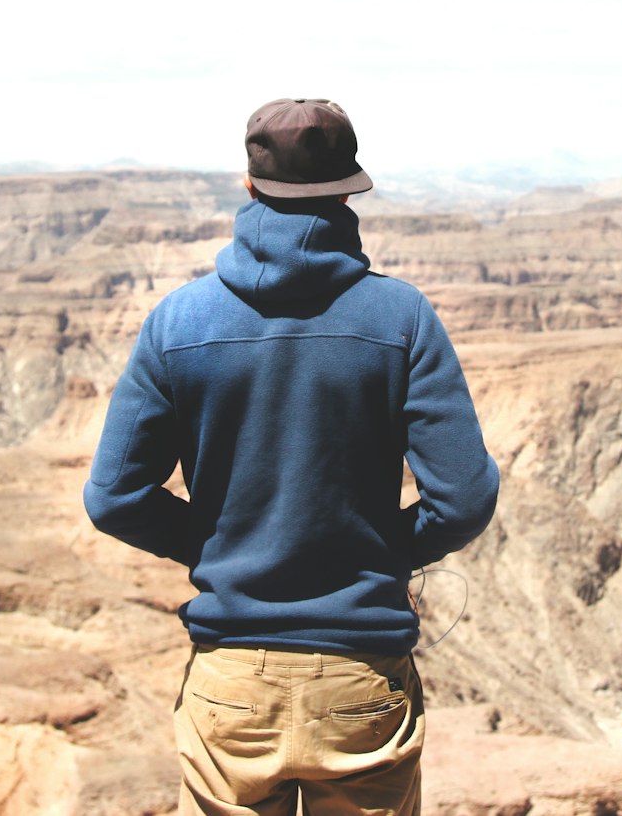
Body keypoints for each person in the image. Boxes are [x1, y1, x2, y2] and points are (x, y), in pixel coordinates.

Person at [84, 98, 500, 816]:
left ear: (248, 186)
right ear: (350, 189)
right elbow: (463, 499)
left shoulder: (177, 322)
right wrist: (381, 550)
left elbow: (113, 497)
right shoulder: (403, 319)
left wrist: (219, 543)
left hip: (232, 685)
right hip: (361, 682)